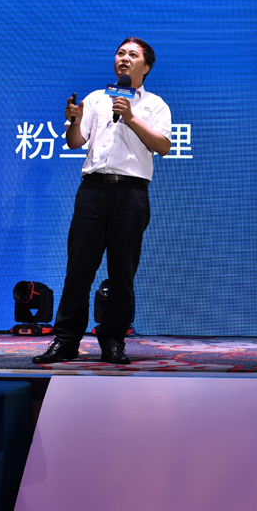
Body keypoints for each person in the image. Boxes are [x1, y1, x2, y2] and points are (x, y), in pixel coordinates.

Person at [33, 37, 172, 365]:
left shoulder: (155, 105)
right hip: (93, 191)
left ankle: (112, 342)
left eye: (132, 55)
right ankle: (66, 341)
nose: (124, 58)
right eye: (120, 53)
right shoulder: (97, 98)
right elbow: (75, 142)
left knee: (122, 274)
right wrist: (74, 120)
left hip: (131, 193)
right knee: (78, 270)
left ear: (146, 67)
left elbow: (163, 146)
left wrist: (131, 117)